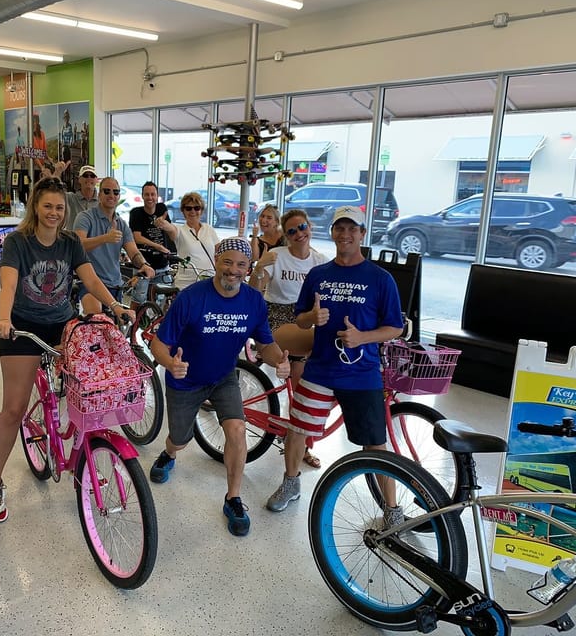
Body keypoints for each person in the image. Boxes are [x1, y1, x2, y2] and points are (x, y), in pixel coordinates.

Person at [0, 176, 134, 523]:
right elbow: (8, 285)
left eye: (59, 207)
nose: (54, 213)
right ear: (36, 207)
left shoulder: (69, 242)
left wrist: (113, 306)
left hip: (62, 323)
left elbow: (91, 279)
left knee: (86, 390)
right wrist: (3, 319)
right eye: (48, 206)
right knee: (14, 407)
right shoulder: (17, 242)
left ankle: (82, 451)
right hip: (21, 328)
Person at [265, 206, 404, 521]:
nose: (345, 235)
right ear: (332, 232)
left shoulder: (380, 279)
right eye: (339, 228)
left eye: (351, 229)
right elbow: (300, 319)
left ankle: (392, 510)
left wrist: (363, 337)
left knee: (375, 444)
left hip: (362, 374)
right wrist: (312, 318)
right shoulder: (319, 274)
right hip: (321, 369)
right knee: (297, 429)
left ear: (362, 234)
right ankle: (290, 483)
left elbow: (395, 327)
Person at [149, 237, 290, 537]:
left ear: (248, 267)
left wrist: (279, 360)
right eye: (227, 262)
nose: (233, 270)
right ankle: (169, 454)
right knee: (180, 439)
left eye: (241, 264)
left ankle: (233, 498)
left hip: (224, 377)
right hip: (184, 380)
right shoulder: (191, 298)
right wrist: (169, 363)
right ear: (216, 261)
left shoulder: (253, 301)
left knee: (237, 429)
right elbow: (158, 344)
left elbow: (265, 343)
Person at [249, 209, 329, 468]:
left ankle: (300, 441)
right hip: (278, 316)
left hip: (305, 317)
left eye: (302, 227)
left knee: (303, 385)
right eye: (292, 230)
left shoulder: (320, 261)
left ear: (310, 228)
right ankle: (301, 444)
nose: (298, 234)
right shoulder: (276, 256)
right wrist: (260, 267)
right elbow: (254, 292)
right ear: (286, 234)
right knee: (309, 376)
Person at [73, 177, 155, 314]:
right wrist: (105, 238)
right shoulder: (85, 217)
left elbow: (133, 251)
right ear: (99, 195)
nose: (112, 195)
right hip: (89, 283)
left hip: (115, 285)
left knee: (117, 326)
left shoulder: (121, 224)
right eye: (107, 191)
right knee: (96, 314)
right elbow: (77, 245)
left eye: (116, 192)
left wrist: (144, 264)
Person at [128, 181, 175, 309]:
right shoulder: (136, 213)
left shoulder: (161, 209)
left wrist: (166, 225)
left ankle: (158, 327)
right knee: (138, 299)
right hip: (143, 266)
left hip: (162, 265)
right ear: (142, 196)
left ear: (157, 196)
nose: (150, 198)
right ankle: (132, 327)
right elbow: (136, 237)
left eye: (153, 194)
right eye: (147, 194)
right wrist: (157, 246)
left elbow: (171, 231)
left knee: (166, 300)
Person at [160, 191, 219, 290]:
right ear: (183, 211)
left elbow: (220, 250)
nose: (193, 211)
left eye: (197, 208)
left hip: (209, 281)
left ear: (201, 210)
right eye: (188, 208)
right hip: (185, 284)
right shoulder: (180, 230)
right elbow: (171, 230)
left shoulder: (209, 229)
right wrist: (164, 224)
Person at [65, 165, 99, 230]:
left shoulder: (102, 202)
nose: (89, 178)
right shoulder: (69, 198)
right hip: (73, 239)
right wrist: (57, 172)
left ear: (96, 180)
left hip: (96, 240)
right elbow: (52, 194)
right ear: (79, 179)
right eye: (85, 175)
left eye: (92, 176)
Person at [31, 114, 47, 179]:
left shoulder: (42, 134)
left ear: (38, 122)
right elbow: (34, 155)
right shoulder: (31, 137)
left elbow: (44, 150)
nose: (34, 123)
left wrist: (50, 159)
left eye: (35, 121)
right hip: (36, 167)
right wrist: (41, 167)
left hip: (43, 166)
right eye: (33, 122)